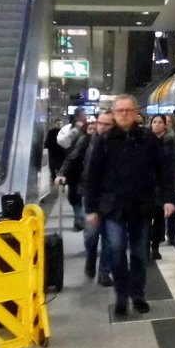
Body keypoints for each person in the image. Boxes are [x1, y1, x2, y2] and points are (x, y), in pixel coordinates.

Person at [84, 96, 175, 316]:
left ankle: (138, 295)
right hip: (112, 207)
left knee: (139, 253)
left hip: (141, 205)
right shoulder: (103, 140)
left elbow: (164, 170)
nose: (124, 114)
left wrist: (168, 198)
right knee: (115, 250)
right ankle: (121, 296)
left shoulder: (148, 139)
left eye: (128, 110)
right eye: (120, 110)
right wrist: (91, 208)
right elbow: (92, 176)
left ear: (136, 113)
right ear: (114, 113)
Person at [58, 111, 114, 281]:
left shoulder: (118, 143)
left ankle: (104, 272)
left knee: (109, 236)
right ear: (96, 124)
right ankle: (90, 258)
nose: (103, 127)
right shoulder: (87, 141)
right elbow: (72, 159)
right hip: (89, 194)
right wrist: (61, 173)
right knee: (91, 233)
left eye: (108, 124)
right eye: (100, 123)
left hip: (111, 196)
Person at [148, 114, 175, 257]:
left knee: (158, 218)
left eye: (159, 122)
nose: (156, 124)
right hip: (148, 187)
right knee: (146, 219)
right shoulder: (145, 141)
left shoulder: (172, 143)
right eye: (154, 122)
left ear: (165, 125)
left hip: (164, 186)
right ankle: (146, 245)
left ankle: (155, 247)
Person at [44, 117, 66, 185]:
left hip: (61, 153)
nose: (59, 125)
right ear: (55, 124)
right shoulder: (52, 132)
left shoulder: (64, 132)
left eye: (60, 123)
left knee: (59, 167)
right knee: (53, 167)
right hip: (54, 153)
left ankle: (58, 179)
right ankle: (54, 179)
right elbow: (47, 142)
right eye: (58, 123)